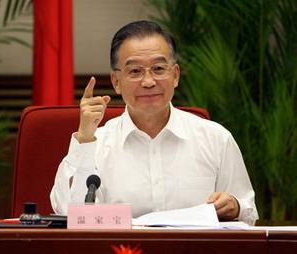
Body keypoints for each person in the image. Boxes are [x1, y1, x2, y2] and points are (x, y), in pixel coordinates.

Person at [50, 20, 258, 225]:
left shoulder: (216, 138)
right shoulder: (95, 143)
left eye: (158, 69)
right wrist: (85, 140)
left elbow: (249, 212)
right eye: (135, 71)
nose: (148, 82)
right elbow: (69, 213)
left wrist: (235, 206)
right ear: (116, 82)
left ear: (175, 75)